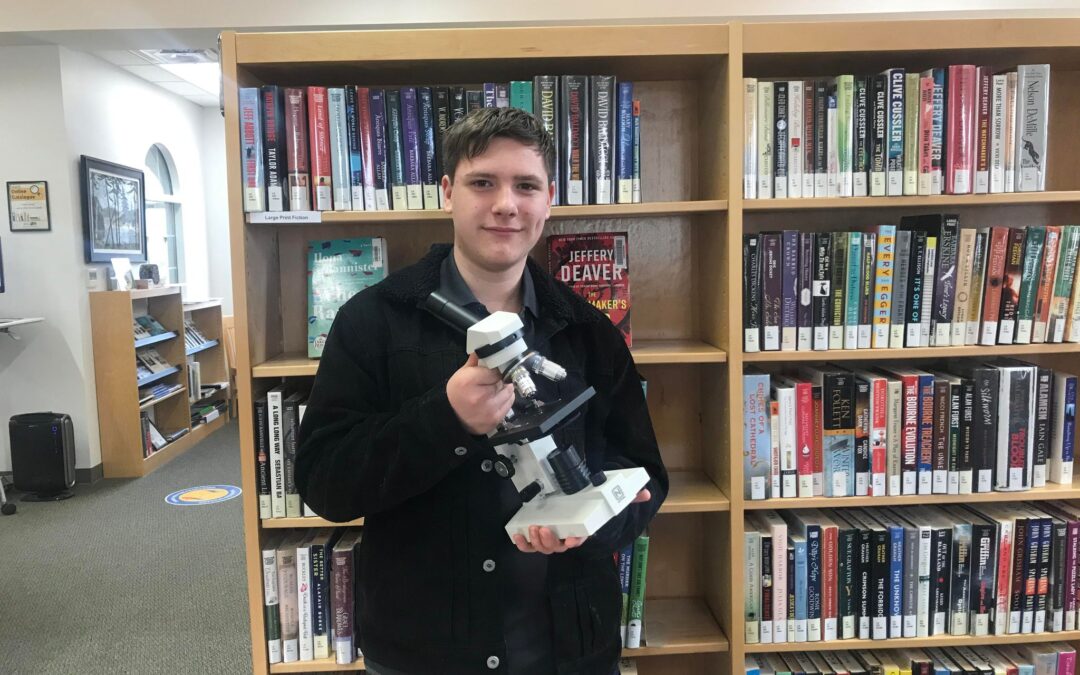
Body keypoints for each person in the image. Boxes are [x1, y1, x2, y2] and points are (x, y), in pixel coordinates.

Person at [295, 106, 667, 675]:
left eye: (526, 185)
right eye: (482, 182)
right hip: (422, 652)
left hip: (566, 651)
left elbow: (643, 473)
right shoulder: (371, 321)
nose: (505, 205)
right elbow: (326, 484)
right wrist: (445, 418)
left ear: (548, 200)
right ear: (447, 191)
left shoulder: (589, 331)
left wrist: (592, 522)